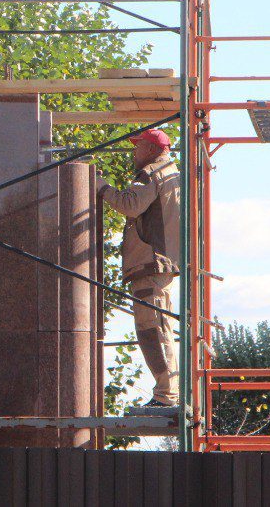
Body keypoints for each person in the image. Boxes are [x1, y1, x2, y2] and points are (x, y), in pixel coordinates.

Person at [99, 128, 181, 407]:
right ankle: (168, 392)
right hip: (161, 264)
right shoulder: (173, 174)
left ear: (151, 149)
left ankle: (166, 395)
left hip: (150, 263)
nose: (134, 152)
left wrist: (100, 187)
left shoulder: (151, 173)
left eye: (138, 146)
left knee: (152, 330)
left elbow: (131, 205)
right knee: (159, 328)